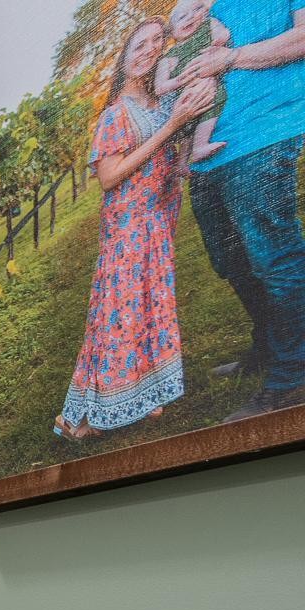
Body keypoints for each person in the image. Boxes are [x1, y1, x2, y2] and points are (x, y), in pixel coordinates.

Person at [56, 24, 218, 440]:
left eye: (155, 44)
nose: (149, 51)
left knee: (149, 309)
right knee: (119, 314)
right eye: (140, 44)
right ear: (124, 54)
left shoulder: (158, 101)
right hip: (127, 227)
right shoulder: (116, 112)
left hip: (157, 222)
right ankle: (95, 413)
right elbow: (109, 176)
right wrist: (172, 126)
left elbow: (169, 158)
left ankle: (144, 395)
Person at [178, 0, 305, 418]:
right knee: (229, 261)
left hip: (264, 131)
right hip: (211, 151)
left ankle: (294, 374)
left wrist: (230, 58)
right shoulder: (203, 7)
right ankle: (271, 347)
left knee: (275, 256)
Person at [157, 0, 233, 162]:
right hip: (185, 97)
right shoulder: (169, 57)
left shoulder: (207, 28)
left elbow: (224, 33)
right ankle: (182, 162)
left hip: (211, 91)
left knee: (216, 101)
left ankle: (199, 147)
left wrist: (218, 42)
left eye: (194, 12)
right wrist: (177, 81)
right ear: (172, 32)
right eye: (182, 17)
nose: (190, 18)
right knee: (188, 128)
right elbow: (159, 87)